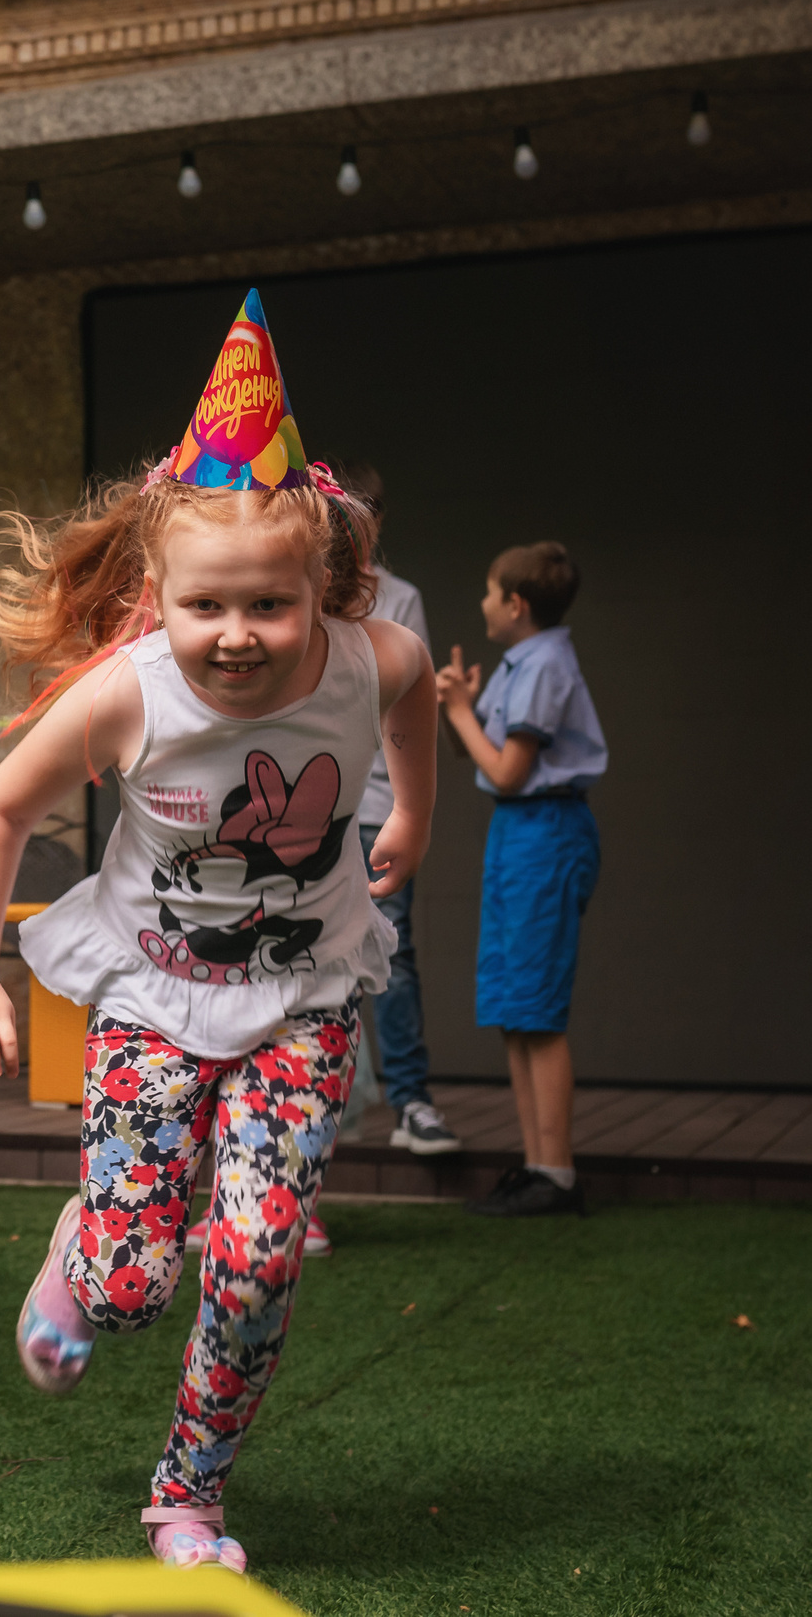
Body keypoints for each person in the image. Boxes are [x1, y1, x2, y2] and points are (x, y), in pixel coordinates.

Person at [0, 295, 436, 1573]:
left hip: (307, 995)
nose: (235, 636)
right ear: (152, 590)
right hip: (153, 1001)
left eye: (269, 606)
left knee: (261, 1255)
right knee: (128, 1283)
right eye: (204, 605)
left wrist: (416, 819)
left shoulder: (367, 658)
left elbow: (418, 697)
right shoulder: (123, 695)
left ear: (318, 585)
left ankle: (190, 1494)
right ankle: (84, 1245)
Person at [436, 541, 606, 1219]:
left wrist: (455, 714)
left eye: (487, 590)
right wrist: (467, 710)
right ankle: (538, 1166)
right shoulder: (525, 661)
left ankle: (557, 1172)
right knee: (515, 1008)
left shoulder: (545, 664)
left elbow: (507, 772)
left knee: (538, 1010)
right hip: (519, 836)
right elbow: (490, 756)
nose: (481, 602)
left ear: (516, 604)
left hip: (544, 833)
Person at [325, 458, 462, 1168]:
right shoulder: (293, 591)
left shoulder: (398, 598)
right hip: (308, 807)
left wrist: (413, 806)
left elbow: (410, 698)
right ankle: (319, 1115)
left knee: (392, 952)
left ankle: (410, 1099)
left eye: (364, 521)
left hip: (375, 803)